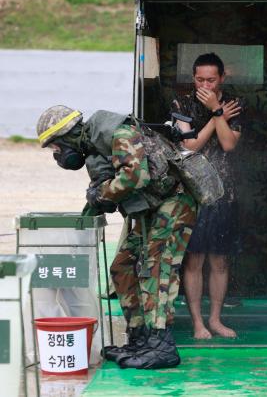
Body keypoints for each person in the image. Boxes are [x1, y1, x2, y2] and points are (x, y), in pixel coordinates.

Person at [36, 105, 197, 368]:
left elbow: (135, 176)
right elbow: (110, 190)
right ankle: (140, 338)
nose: (58, 155)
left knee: (156, 268)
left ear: (67, 136)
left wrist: (102, 194)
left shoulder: (116, 131)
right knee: (122, 266)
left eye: (56, 147)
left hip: (175, 201)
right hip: (153, 207)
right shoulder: (94, 146)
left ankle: (161, 346)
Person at [174, 52, 242, 339]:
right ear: (193, 79)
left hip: (224, 194)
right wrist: (217, 117)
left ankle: (215, 319)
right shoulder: (181, 104)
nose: (206, 85)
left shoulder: (233, 104)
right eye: (200, 79)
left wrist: (217, 110)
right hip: (192, 193)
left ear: (222, 78)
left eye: (211, 80)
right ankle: (197, 323)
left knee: (220, 261)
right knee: (194, 261)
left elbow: (228, 144)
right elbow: (190, 146)